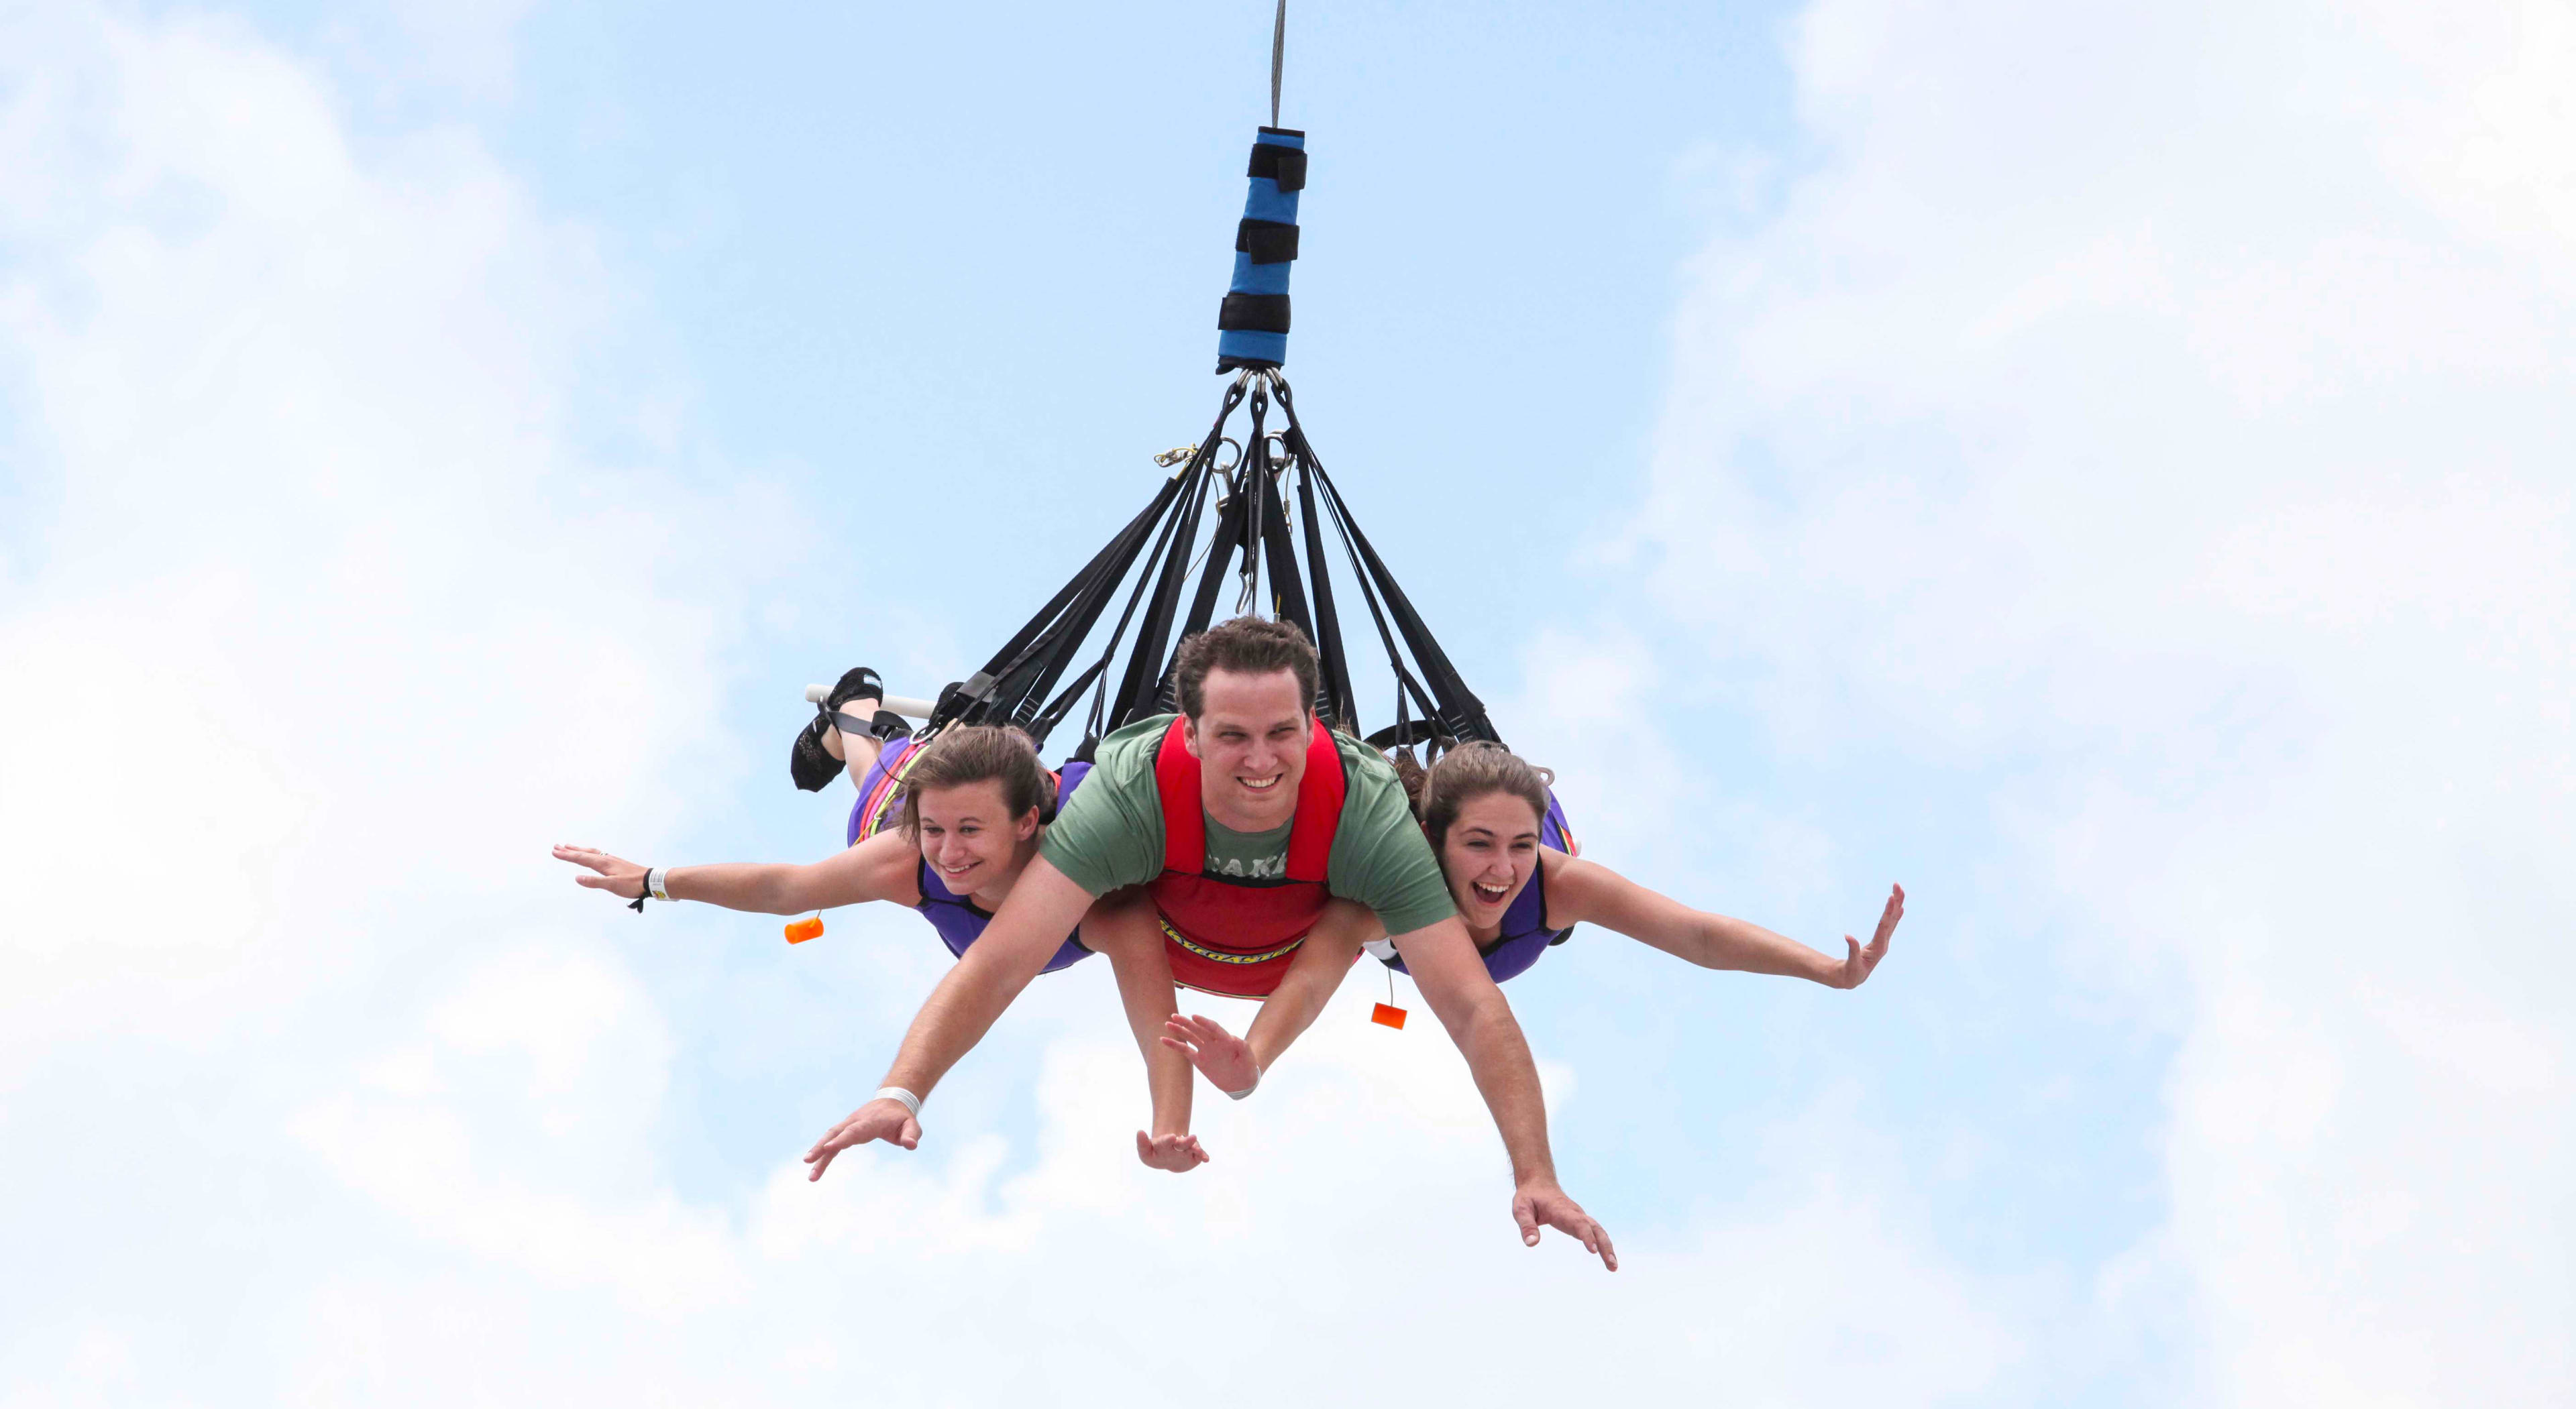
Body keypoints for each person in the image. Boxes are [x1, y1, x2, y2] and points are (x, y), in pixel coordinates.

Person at [801, 617, 1618, 1270]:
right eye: (1232, 735)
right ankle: (855, 724)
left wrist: (1534, 1169)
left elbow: (1474, 1007)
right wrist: (903, 1090)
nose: (1261, 760)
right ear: (1187, 733)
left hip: (1284, 935)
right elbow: (999, 962)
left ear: (1314, 726)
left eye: (1282, 732)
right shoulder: (1127, 799)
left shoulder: (1365, 814)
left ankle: (856, 726)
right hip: (1165, 900)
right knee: (880, 803)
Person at [552, 721, 1216, 1172]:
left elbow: (1158, 1011)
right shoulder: (910, 855)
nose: (950, 853)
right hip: (911, 786)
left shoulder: (1102, 897)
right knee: (874, 795)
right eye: (936, 829)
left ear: (1026, 823)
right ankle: (855, 717)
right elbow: (787, 887)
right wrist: (652, 880)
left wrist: (1169, 1126)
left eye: (969, 832)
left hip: (1093, 799)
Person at [1158, 740, 1904, 1096]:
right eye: (1479, 847)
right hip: (1403, 848)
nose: (1501, 870)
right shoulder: (1381, 895)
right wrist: (1251, 1059)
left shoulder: (1555, 883)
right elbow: (1313, 980)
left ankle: (1509, 813)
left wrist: (1831, 970)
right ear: (1436, 841)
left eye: (1517, 847)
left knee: (1536, 860)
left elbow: (1695, 934)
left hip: (1525, 834)